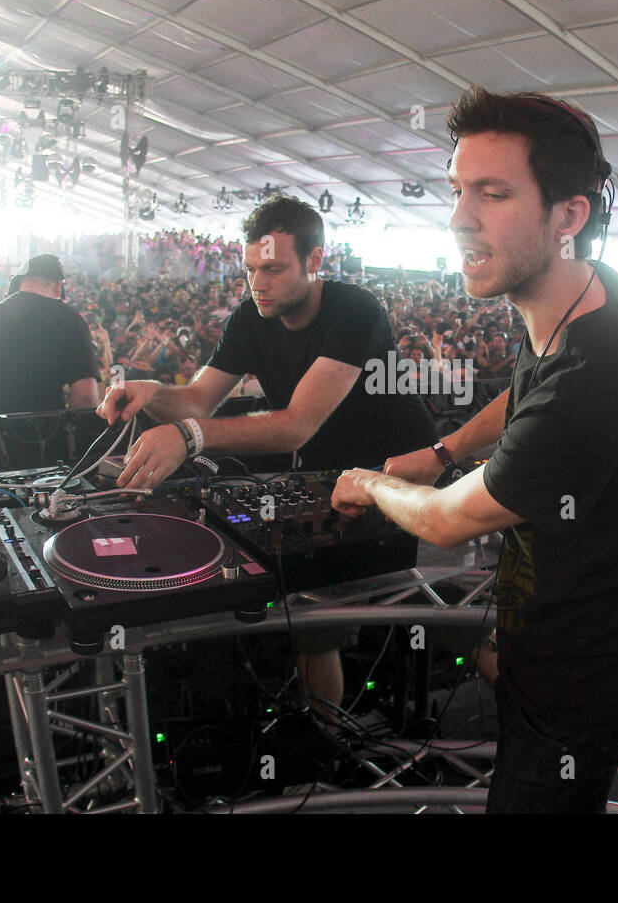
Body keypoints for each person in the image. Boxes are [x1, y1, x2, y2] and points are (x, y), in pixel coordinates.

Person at [330, 87, 618, 813]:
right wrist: (443, 449)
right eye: (457, 191)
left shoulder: (590, 382)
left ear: (568, 216)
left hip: (579, 689)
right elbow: (524, 392)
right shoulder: (582, 291)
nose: (460, 219)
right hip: (559, 656)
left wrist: (366, 482)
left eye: (493, 193)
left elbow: (447, 523)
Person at [96, 196, 436, 722]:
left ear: (315, 262)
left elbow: (299, 422)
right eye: (251, 269)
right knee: (314, 624)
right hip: (328, 478)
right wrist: (151, 390)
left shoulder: (353, 310)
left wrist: (188, 437)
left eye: (274, 269)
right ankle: (326, 743)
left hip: (402, 474)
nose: (259, 282)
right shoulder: (250, 319)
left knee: (444, 604)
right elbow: (198, 399)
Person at [0, 255, 99, 416]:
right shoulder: (69, 320)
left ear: (19, 283)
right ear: (58, 287)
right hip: (43, 432)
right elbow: (86, 396)